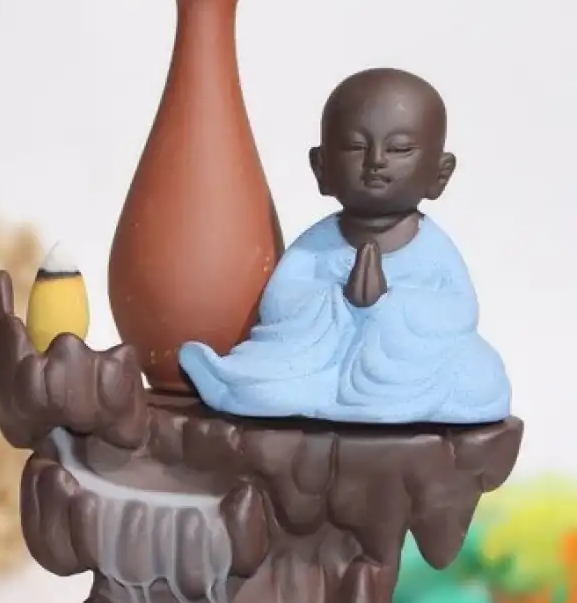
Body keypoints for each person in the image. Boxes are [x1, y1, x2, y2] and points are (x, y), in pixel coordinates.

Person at [178, 68, 512, 425]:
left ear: (440, 174)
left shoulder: (432, 246)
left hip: (408, 366)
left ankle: (370, 402)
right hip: (320, 363)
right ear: (321, 168)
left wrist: (387, 304)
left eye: (399, 148)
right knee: (265, 379)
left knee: (479, 377)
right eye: (355, 147)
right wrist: (338, 299)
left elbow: (460, 312)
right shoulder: (317, 246)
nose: (376, 160)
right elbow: (278, 304)